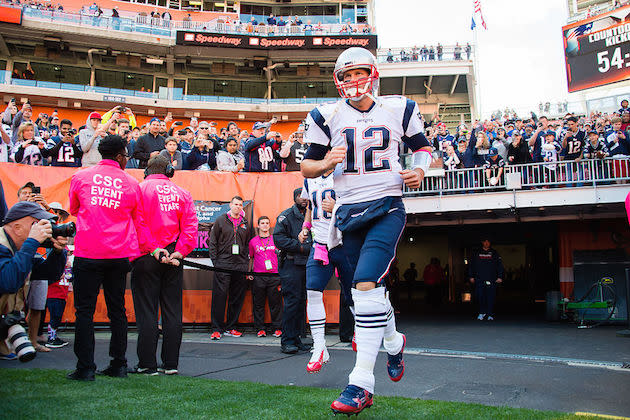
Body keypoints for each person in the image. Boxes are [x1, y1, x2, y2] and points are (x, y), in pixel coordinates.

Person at [300, 47, 432, 415]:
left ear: (373, 74)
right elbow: (307, 166)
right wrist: (325, 162)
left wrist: (419, 171)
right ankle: (393, 340)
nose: (353, 81)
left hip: (386, 206)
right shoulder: (326, 115)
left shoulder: (399, 108)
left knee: (365, 285)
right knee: (367, 293)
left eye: (359, 72)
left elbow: (422, 148)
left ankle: (361, 383)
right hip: (347, 214)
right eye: (346, 75)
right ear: (338, 82)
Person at [67, 135, 158, 381]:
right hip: (118, 254)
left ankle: (85, 367)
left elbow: (74, 209)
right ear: (119, 156)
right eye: (126, 155)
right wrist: (151, 247)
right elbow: (139, 221)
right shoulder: (131, 183)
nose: (127, 159)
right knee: (117, 310)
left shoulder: (81, 176)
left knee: (84, 311)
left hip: (88, 252)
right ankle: (118, 364)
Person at [130, 155, 198, 376]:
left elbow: (138, 224)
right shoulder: (182, 192)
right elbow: (190, 227)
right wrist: (179, 251)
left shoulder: (140, 189)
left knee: (147, 311)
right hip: (173, 256)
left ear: (147, 171)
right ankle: (170, 364)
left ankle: (147, 364)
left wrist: (153, 249)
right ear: (169, 170)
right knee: (172, 311)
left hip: (146, 256)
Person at [301, 173, 354, 373]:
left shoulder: (345, 173)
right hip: (320, 243)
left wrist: (337, 208)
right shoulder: (309, 178)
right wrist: (306, 226)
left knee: (353, 295)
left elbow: (357, 204)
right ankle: (320, 347)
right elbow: (310, 207)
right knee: (313, 292)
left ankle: (361, 333)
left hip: (344, 242)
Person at [0, 202, 67, 359]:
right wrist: (31, 242)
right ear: (17, 228)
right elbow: (7, 282)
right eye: (35, 223)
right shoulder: (3, 246)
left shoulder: (22, 249)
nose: (41, 228)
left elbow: (48, 275)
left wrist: (58, 253)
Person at [208, 196, 255, 340]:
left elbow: (249, 244)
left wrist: (246, 264)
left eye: (240, 205)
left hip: (240, 265)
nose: (238, 207)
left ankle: (231, 327)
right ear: (230, 205)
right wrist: (216, 261)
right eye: (235, 204)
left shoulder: (246, 223)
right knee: (219, 297)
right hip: (223, 264)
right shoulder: (221, 220)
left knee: (236, 297)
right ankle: (216, 328)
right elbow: (213, 241)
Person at [273, 188, 312, 354]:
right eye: (300, 196)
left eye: (306, 196)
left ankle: (296, 339)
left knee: (301, 302)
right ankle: (287, 341)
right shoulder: (286, 216)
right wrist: (302, 248)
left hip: (307, 265)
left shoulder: (312, 214)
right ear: (294, 197)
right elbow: (279, 239)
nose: (303, 199)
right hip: (291, 265)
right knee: (291, 303)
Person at [248, 216, 282, 338]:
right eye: (262, 223)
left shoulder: (276, 240)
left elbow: (280, 257)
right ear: (258, 226)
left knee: (276, 304)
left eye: (267, 223)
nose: (265, 225)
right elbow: (251, 258)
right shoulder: (253, 241)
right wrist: (249, 272)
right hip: (258, 276)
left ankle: (277, 328)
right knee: (258, 304)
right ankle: (260, 329)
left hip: (274, 276)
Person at [469, 237, 504, 321]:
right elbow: (471, 265)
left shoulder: (494, 253)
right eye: (485, 241)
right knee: (480, 296)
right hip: (479, 279)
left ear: (490, 243)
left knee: (490, 297)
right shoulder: (476, 253)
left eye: (488, 241)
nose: (486, 243)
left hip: (491, 279)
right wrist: (471, 276)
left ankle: (490, 314)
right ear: (482, 242)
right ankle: (482, 312)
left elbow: (499, 265)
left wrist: (500, 276)